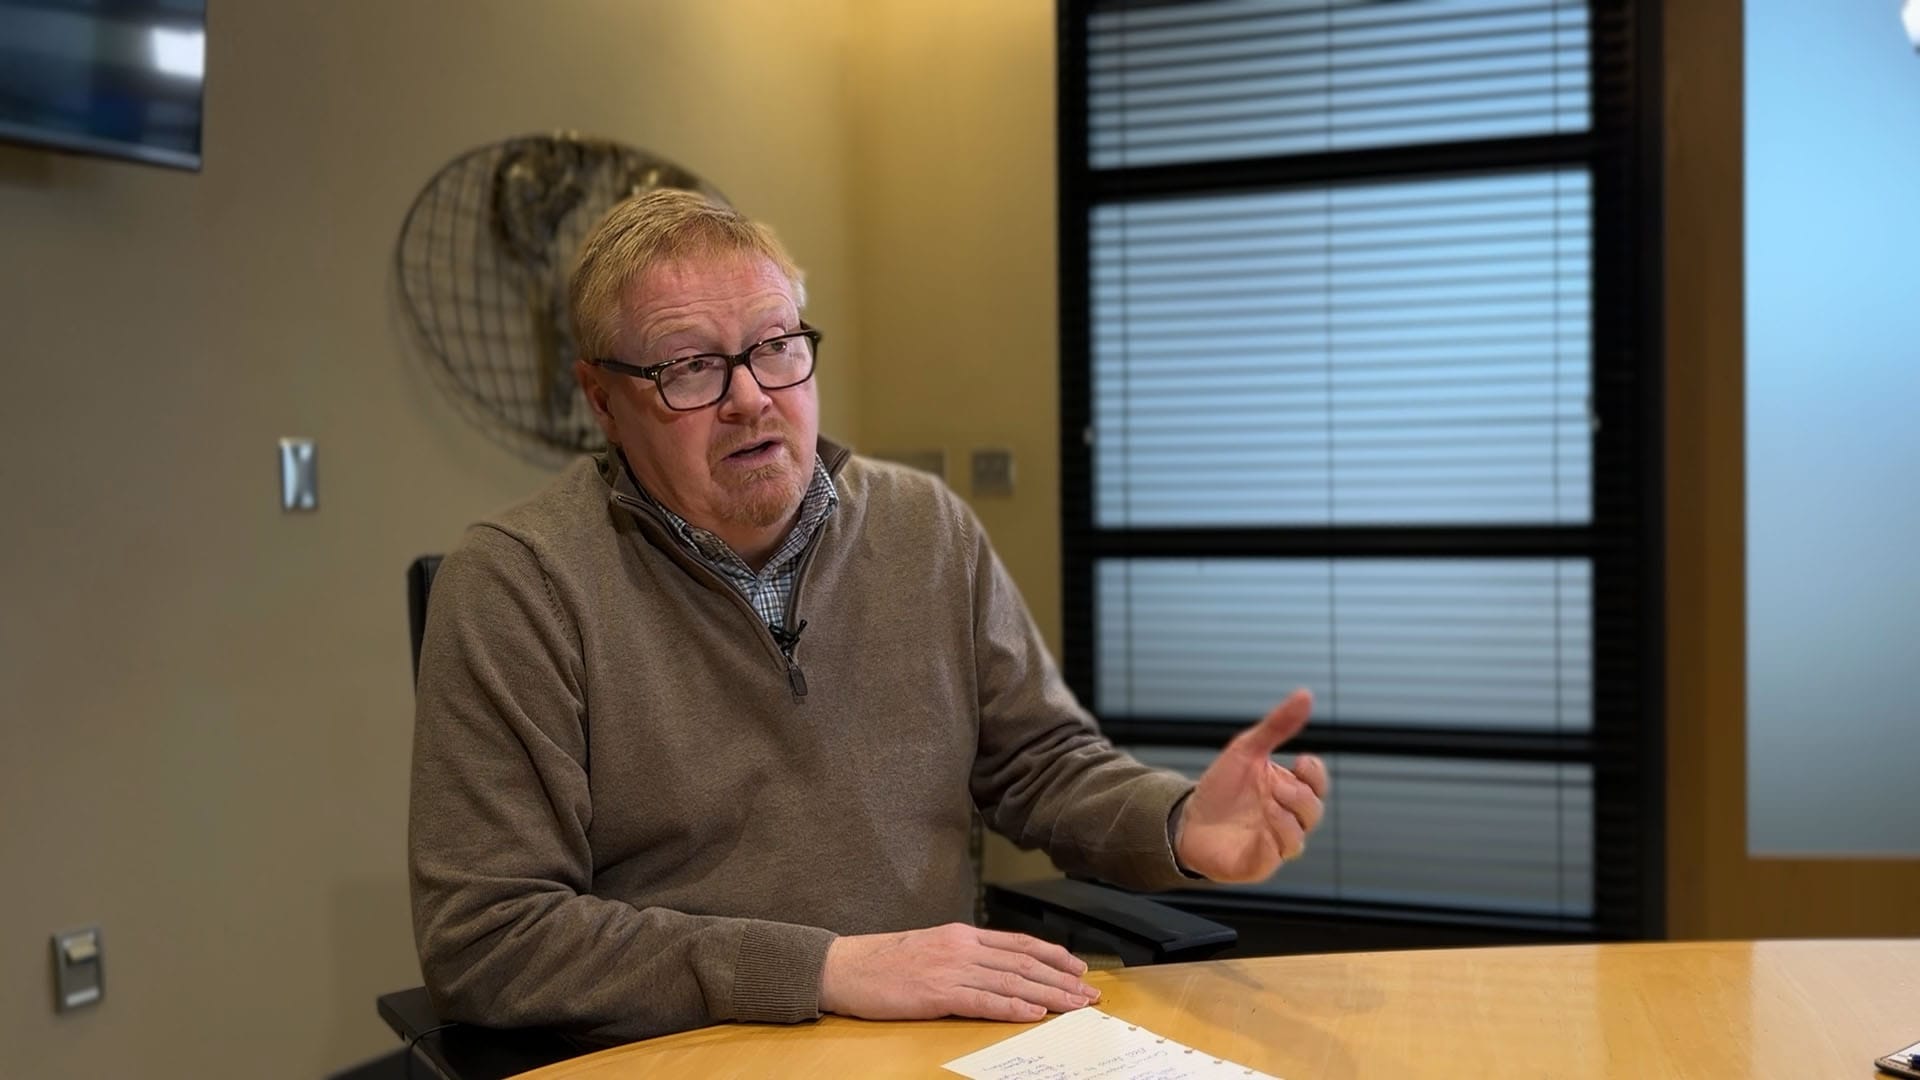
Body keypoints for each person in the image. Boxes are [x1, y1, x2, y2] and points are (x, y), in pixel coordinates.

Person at [408, 188, 1330, 1043]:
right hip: (686, 1051)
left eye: (776, 346)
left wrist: (1175, 826)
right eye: (691, 367)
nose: (750, 397)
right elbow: (489, 940)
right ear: (603, 400)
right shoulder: (517, 586)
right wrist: (826, 969)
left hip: (935, 1044)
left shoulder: (924, 527)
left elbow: (1041, 765)